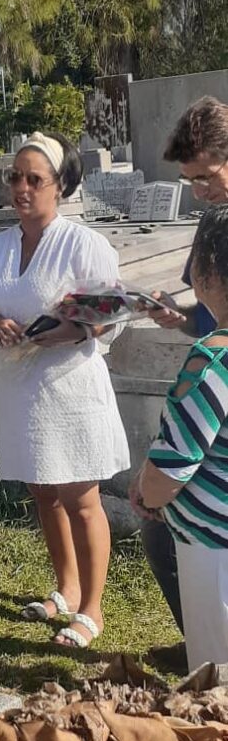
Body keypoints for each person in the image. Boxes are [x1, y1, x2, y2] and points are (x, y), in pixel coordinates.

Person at [0, 131, 130, 650]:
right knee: (43, 493)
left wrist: (76, 330)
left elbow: (113, 311)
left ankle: (92, 609)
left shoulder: (83, 244)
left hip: (68, 387)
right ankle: (66, 586)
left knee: (81, 498)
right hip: (19, 388)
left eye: (34, 179)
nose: (21, 187)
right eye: (16, 177)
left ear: (60, 186)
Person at [133, 96, 228, 634]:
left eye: (206, 176)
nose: (201, 191)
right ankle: (201, 636)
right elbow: (212, 311)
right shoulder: (213, 225)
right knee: (161, 527)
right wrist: (180, 318)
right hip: (214, 401)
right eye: (191, 181)